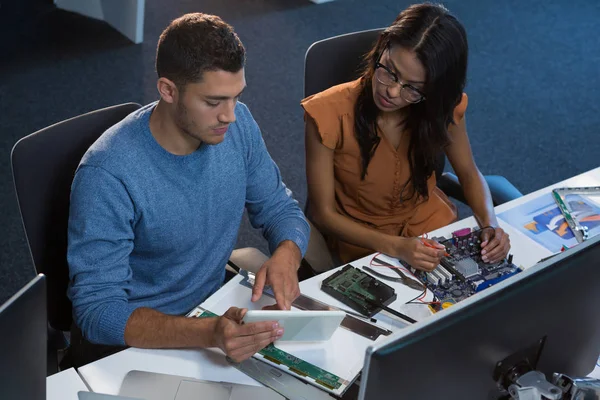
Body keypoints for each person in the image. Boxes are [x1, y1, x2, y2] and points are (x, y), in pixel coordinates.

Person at [66, 13, 310, 367]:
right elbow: (98, 313)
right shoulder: (107, 174)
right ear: (168, 90)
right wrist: (208, 333)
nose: (229, 115)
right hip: (133, 342)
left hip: (212, 313)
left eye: (236, 97)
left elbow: (280, 209)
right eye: (213, 102)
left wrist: (288, 252)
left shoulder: (238, 126)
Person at [302, 3, 510, 271]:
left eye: (412, 88)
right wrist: (397, 246)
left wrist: (491, 224)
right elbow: (323, 214)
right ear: (383, 46)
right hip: (364, 242)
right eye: (389, 71)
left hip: (429, 227)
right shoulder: (326, 112)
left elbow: (469, 172)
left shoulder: (442, 106)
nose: (392, 92)